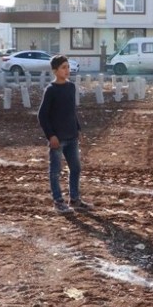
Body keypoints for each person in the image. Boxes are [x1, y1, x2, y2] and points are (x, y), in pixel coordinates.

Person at [38, 54, 89, 213]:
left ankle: (74, 199)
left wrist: (78, 129)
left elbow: (71, 111)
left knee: (76, 168)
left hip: (72, 137)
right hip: (58, 139)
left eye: (68, 67)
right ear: (55, 71)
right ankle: (58, 202)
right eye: (63, 67)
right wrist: (51, 136)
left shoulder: (71, 87)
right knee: (55, 171)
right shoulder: (51, 90)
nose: (67, 70)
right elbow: (42, 115)